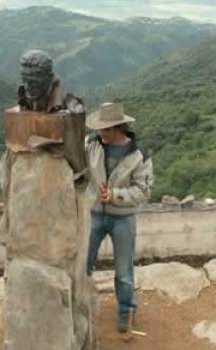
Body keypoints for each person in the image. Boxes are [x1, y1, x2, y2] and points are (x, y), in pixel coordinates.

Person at [85, 102, 153, 333]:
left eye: (104, 129)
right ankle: (79, 305)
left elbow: (143, 192)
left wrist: (115, 195)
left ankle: (126, 311)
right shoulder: (91, 144)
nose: (99, 133)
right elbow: (80, 170)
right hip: (94, 213)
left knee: (124, 272)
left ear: (117, 129)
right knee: (83, 264)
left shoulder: (138, 155)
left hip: (123, 218)